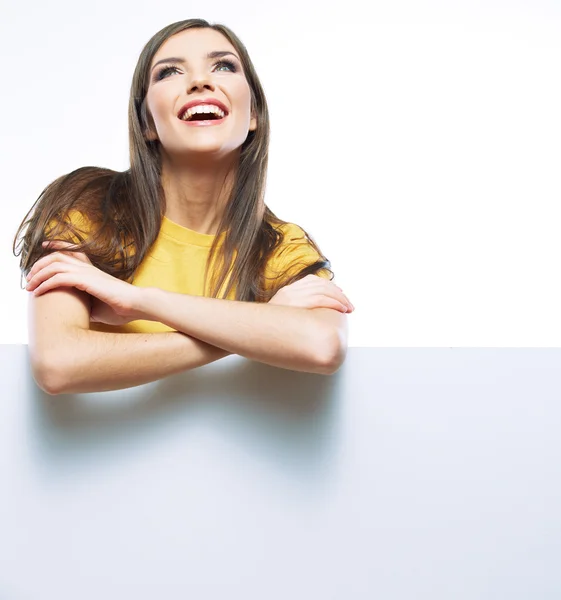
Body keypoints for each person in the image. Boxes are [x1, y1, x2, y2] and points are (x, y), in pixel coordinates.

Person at [13, 18, 355, 396]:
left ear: (254, 113)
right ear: (147, 124)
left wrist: (141, 302)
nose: (199, 81)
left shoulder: (280, 246)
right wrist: (262, 326)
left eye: (223, 65)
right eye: (170, 71)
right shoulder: (89, 207)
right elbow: (59, 365)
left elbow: (322, 347)